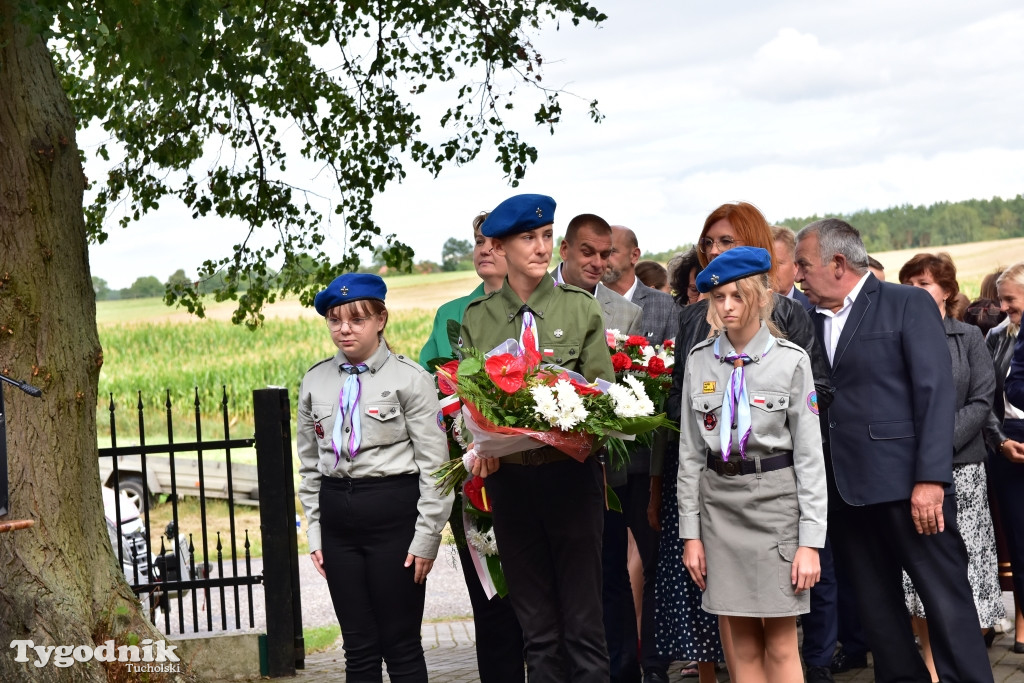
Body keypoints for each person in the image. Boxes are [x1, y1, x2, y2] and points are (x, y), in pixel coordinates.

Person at [794, 218, 993, 683]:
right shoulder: (806, 320)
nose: (798, 276)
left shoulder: (906, 303)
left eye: (804, 265)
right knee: (879, 616)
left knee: (946, 605)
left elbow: (934, 393)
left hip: (910, 490)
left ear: (838, 262)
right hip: (845, 492)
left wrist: (930, 480)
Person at [658, 201, 831, 683]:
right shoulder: (699, 361)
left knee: (779, 645)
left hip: (776, 510)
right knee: (738, 644)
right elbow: (690, 456)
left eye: (736, 295)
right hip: (720, 511)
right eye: (717, 297)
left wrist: (810, 543)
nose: (727, 306)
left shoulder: (791, 362)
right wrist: (690, 535)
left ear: (758, 294)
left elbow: (810, 459)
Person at [460, 193, 616, 683]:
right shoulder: (477, 318)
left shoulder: (580, 309)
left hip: (571, 480)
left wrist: (574, 420)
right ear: (501, 249)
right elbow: (470, 402)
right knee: (539, 634)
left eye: (547, 235)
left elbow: (604, 400)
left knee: (585, 629)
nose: (541, 246)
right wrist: (477, 445)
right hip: (512, 487)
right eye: (529, 237)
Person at [297, 272, 454, 682]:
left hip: (394, 520)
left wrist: (426, 538)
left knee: (400, 645)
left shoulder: (410, 378)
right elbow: (310, 466)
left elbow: (436, 468)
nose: (344, 329)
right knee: (358, 648)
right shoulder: (315, 381)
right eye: (335, 320)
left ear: (380, 319)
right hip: (338, 523)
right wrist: (316, 532)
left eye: (356, 319)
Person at [417, 213, 525, 682]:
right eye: (479, 241)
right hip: (475, 475)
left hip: (532, 469)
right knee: (491, 601)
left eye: (496, 242)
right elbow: (432, 389)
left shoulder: (540, 309)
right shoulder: (451, 315)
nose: (485, 249)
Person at [898, 253, 1003, 681]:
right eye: (908, 284)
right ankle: (930, 667)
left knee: (966, 569)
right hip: (909, 475)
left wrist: (934, 449)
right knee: (916, 575)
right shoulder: (896, 338)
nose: (914, 291)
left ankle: (966, 663)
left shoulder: (966, 337)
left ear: (946, 291)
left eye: (923, 283)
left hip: (961, 469)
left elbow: (981, 400)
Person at [602, 224, 679, 683]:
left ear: (635, 255)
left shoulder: (663, 306)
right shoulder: (584, 303)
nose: (604, 259)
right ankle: (620, 666)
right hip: (603, 463)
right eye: (598, 252)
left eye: (612, 251)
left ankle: (655, 663)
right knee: (608, 566)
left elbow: (669, 379)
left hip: (649, 459)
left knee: (654, 565)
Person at [985, 261, 1024, 653]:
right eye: (1001, 300)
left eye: (1010, 299)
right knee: (1018, 538)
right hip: (1007, 445)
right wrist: (999, 441)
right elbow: (985, 396)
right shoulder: (996, 336)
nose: (1003, 307)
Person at [772, 225, 811, 308]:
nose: (768, 269)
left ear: (796, 267)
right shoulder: (745, 311)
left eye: (776, 263)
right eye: (763, 263)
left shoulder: (814, 311)